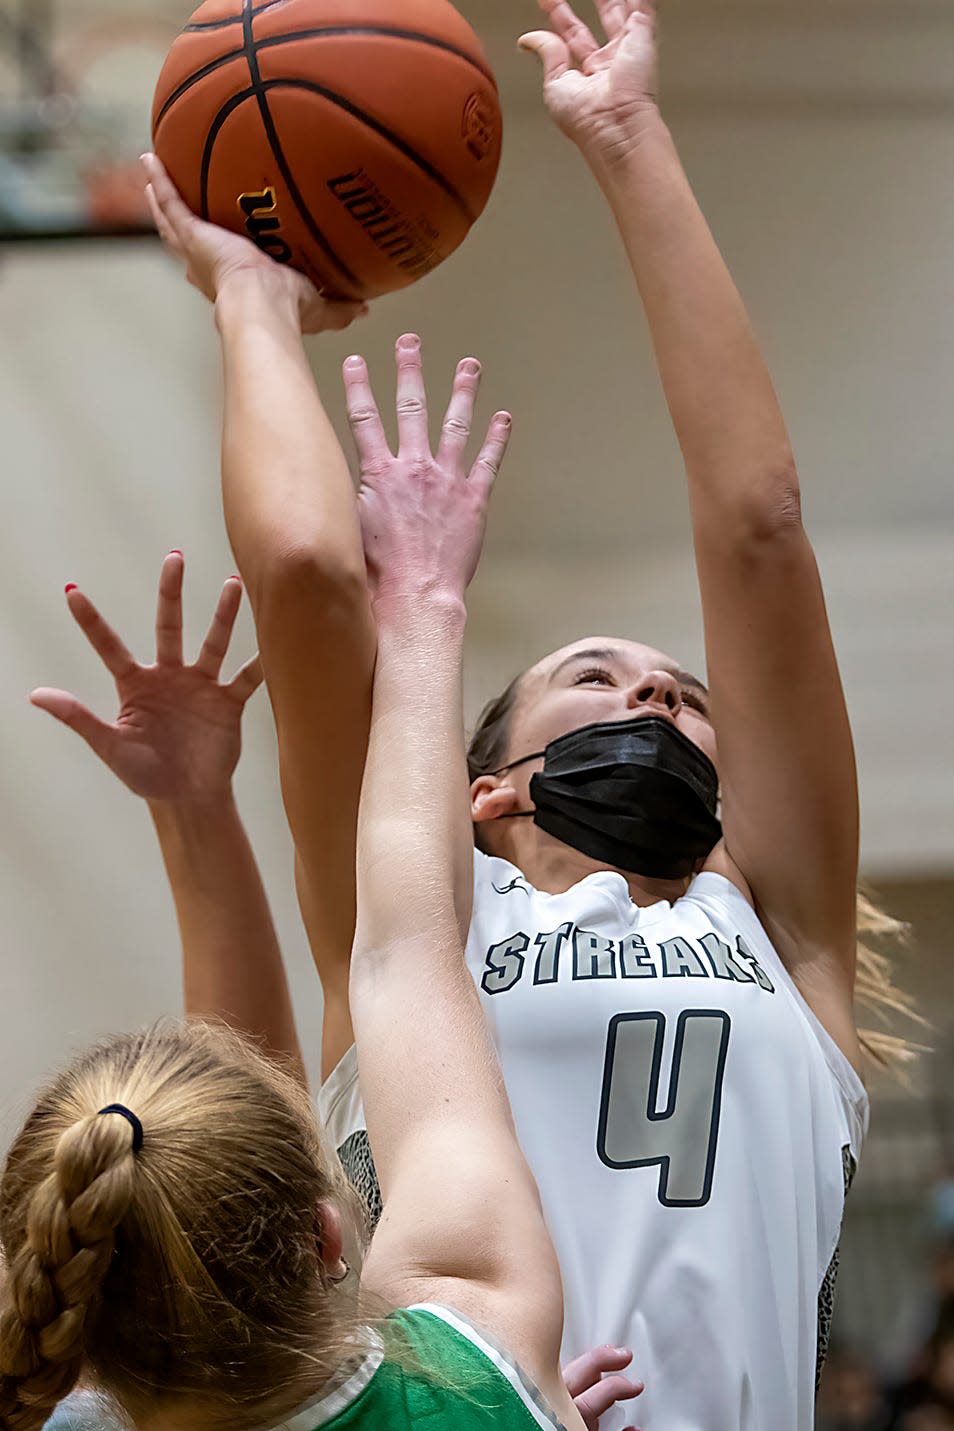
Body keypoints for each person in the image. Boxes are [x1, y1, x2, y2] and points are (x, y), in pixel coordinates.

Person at [134, 0, 913, 1423]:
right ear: (482, 790)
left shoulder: (779, 930)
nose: (660, 695)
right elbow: (307, 574)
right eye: (599, 678)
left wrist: (627, 139)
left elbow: (759, 525)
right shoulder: (417, 920)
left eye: (682, 694)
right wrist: (249, 295)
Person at [2, 386, 631, 1431]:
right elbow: (403, 952)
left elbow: (394, 952)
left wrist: (198, 812)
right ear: (333, 1235)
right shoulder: (479, 1364)